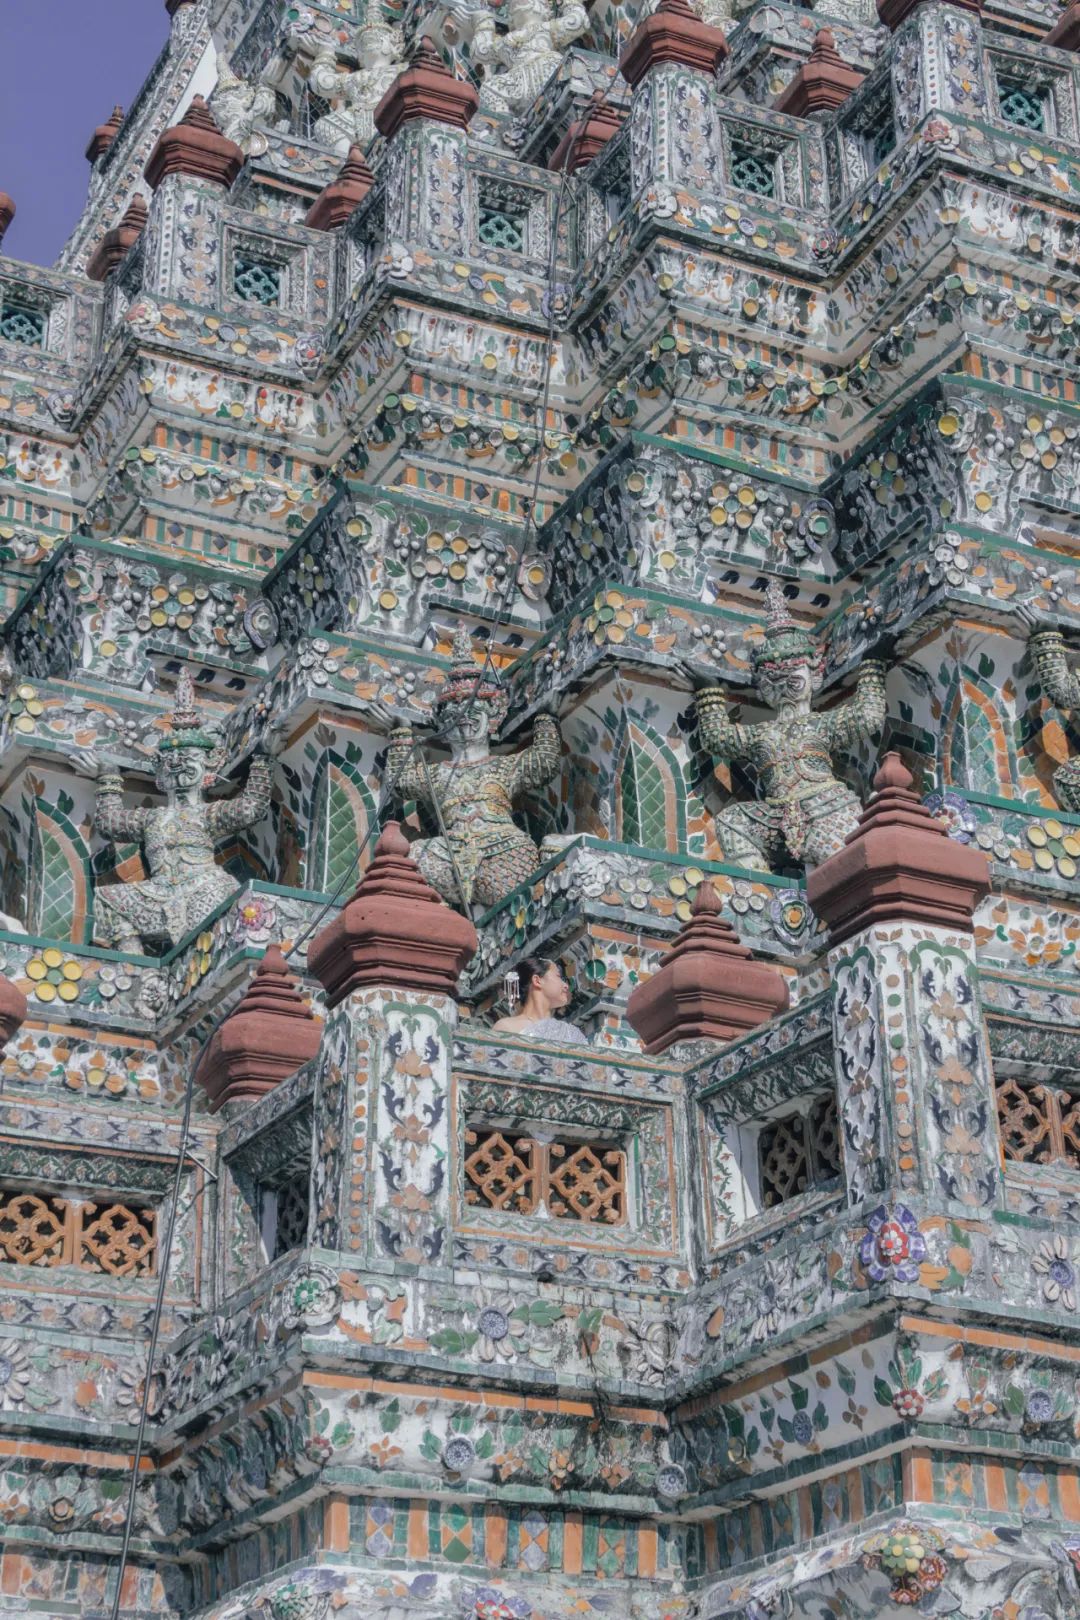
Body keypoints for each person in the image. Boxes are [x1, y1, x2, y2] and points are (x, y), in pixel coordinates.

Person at [491, 956, 590, 1045]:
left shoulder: (571, 1033)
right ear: (537, 981)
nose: (566, 985)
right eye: (559, 976)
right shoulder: (507, 1028)